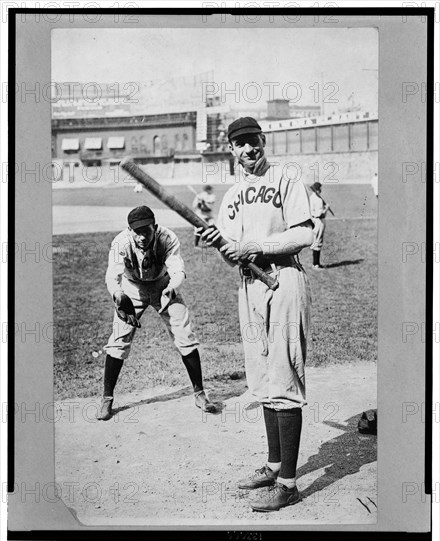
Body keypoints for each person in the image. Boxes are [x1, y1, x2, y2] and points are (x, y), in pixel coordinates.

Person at [199, 117, 314, 512]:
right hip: (250, 285)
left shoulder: (285, 178)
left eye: (253, 141)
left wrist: (257, 247)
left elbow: (305, 234)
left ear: (263, 142)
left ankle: (288, 484)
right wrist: (218, 244)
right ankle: (273, 464)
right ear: (231, 149)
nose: (248, 149)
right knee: (262, 379)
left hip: (282, 280)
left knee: (284, 376)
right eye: (240, 144)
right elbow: (232, 249)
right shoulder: (232, 195)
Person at [97, 205, 216, 420]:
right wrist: (118, 295)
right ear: (129, 230)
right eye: (137, 231)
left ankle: (200, 394)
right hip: (131, 287)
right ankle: (107, 399)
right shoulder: (121, 242)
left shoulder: (167, 237)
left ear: (155, 227)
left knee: (185, 336)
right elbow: (112, 275)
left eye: (146, 230)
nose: (141, 236)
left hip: (164, 285)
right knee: (118, 340)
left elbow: (178, 269)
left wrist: (173, 287)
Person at [309, 181, 330, 270]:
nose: (320, 190)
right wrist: (326, 209)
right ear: (317, 190)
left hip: (317, 220)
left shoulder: (314, 197)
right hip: (318, 221)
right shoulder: (316, 199)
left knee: (318, 241)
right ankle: (315, 264)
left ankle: (316, 263)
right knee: (317, 241)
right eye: (319, 189)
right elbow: (319, 214)